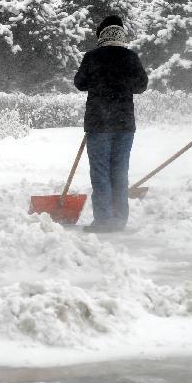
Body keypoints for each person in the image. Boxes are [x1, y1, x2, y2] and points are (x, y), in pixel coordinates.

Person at [74, 15, 149, 233]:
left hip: (99, 124)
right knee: (120, 171)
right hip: (124, 125)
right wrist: (123, 83)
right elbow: (141, 85)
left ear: (101, 35)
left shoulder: (92, 57)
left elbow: (80, 83)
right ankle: (119, 218)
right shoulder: (130, 57)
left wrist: (99, 81)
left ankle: (104, 221)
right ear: (121, 34)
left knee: (100, 172)